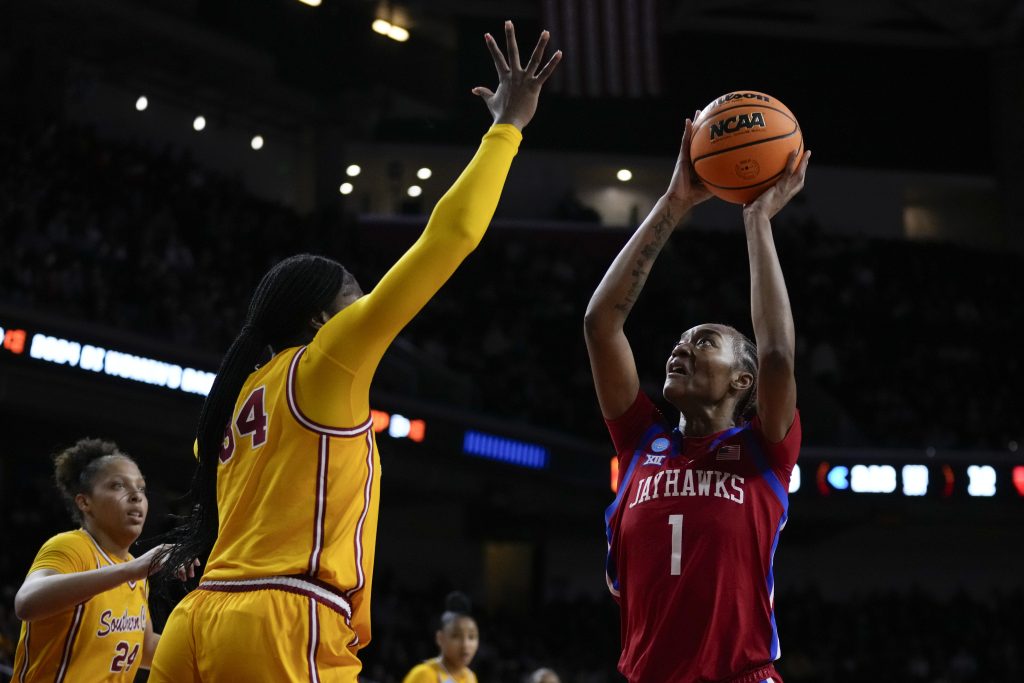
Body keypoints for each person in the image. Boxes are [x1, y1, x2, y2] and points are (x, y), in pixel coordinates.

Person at [148, 21, 561, 683]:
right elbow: (447, 238)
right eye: (354, 293)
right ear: (319, 316)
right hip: (282, 622)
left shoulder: (232, 401)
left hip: (194, 621)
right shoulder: (326, 360)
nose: (366, 304)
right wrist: (508, 126)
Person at [584, 111, 810, 683]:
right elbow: (600, 324)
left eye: (703, 343)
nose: (679, 350)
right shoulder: (640, 441)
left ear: (743, 382)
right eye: (679, 342)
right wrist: (674, 203)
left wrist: (758, 220)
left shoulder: (765, 451)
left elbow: (779, 355)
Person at [10, 438, 184, 681]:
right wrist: (133, 570)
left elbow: (144, 649)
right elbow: (26, 603)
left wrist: (205, 644)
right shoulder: (72, 546)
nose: (136, 496)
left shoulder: (133, 569)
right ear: (85, 502)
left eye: (141, 488)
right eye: (117, 486)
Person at [401, 592, 479, 683]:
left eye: (471, 637)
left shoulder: (471, 677)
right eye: (456, 636)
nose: (465, 645)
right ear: (440, 638)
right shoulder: (423, 674)